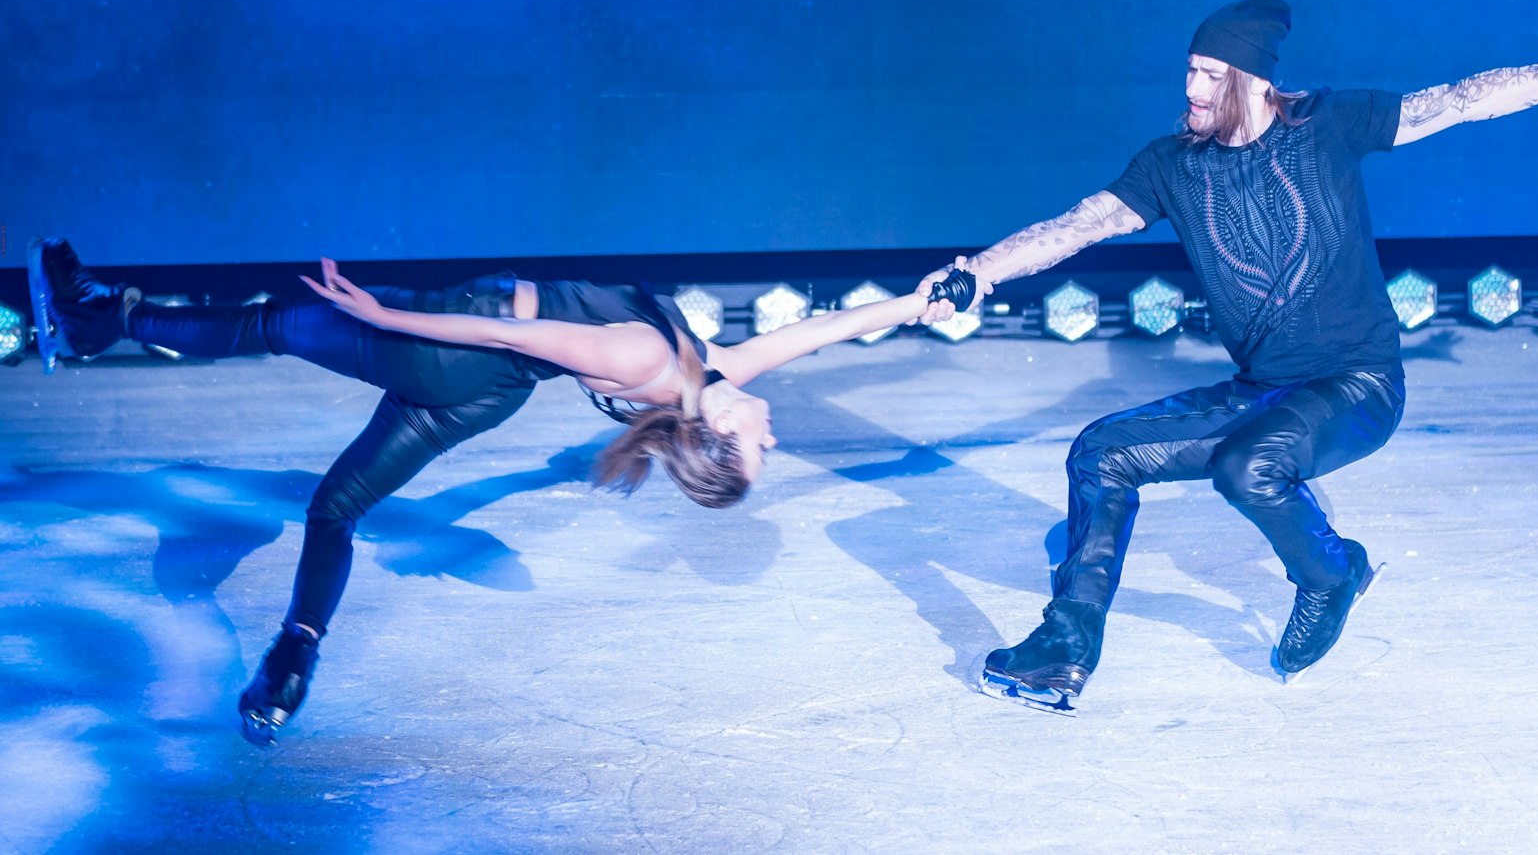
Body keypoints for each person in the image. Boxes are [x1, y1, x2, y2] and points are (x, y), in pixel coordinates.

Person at [920, 0, 1538, 712]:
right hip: (1266, 391)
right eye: (1188, 70)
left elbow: (1460, 99)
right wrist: (978, 271)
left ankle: (1331, 571)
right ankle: (1066, 643)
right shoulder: (1172, 165)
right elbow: (1079, 224)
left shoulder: (1327, 123)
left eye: (1211, 75)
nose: (1191, 87)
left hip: (1359, 383)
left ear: (1252, 80)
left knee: (1248, 466)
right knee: (1100, 453)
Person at [28, 241, 938, 742]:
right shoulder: (705, 371)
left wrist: (385, 317)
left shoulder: (649, 360)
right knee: (336, 509)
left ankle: (93, 312)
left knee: (266, 324)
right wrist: (915, 302)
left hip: (449, 351)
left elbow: (510, 329)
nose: (774, 433)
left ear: (715, 434)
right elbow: (819, 331)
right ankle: (291, 656)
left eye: (761, 448)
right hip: (485, 397)